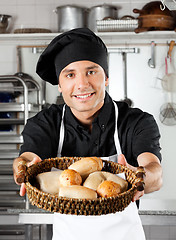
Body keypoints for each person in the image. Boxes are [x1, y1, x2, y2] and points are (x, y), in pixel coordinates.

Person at [13, 28, 162, 240]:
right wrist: (22, 168)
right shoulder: (46, 123)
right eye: (70, 74)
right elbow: (26, 158)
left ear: (107, 77)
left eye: (91, 71)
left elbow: (154, 170)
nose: (82, 84)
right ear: (60, 84)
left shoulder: (135, 121)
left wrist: (141, 178)